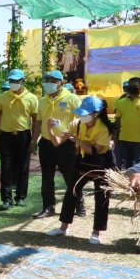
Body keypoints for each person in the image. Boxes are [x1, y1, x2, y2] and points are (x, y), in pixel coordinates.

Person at [46, 96, 115, 245]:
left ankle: (96, 232)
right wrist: (49, 129)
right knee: (72, 191)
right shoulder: (76, 124)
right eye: (81, 113)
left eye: (86, 113)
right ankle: (63, 227)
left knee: (101, 197)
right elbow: (57, 142)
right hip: (83, 161)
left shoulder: (104, 128)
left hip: (103, 162)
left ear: (96, 113)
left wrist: (77, 141)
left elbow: (94, 151)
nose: (82, 116)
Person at [31, 70, 83, 219]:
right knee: (47, 177)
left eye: (53, 80)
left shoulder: (72, 98)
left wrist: (67, 132)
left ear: (61, 82)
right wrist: (34, 140)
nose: (49, 83)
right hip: (47, 143)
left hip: (66, 143)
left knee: (70, 176)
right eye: (47, 80)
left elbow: (80, 119)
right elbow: (38, 122)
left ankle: (78, 204)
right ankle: (48, 207)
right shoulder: (41, 101)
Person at [0, 69, 39, 211]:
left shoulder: (31, 98)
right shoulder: (2, 97)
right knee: (6, 168)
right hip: (6, 136)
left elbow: (36, 120)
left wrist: (34, 140)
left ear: (22, 81)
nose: (13, 84)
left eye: (16, 81)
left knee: (23, 167)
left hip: (24, 136)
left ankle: (21, 197)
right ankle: (6, 199)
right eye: (11, 81)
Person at [114, 77, 140, 169]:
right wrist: (115, 136)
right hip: (124, 138)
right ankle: (127, 183)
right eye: (130, 85)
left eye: (135, 86)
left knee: (139, 165)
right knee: (127, 165)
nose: (132, 87)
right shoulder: (121, 102)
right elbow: (118, 120)